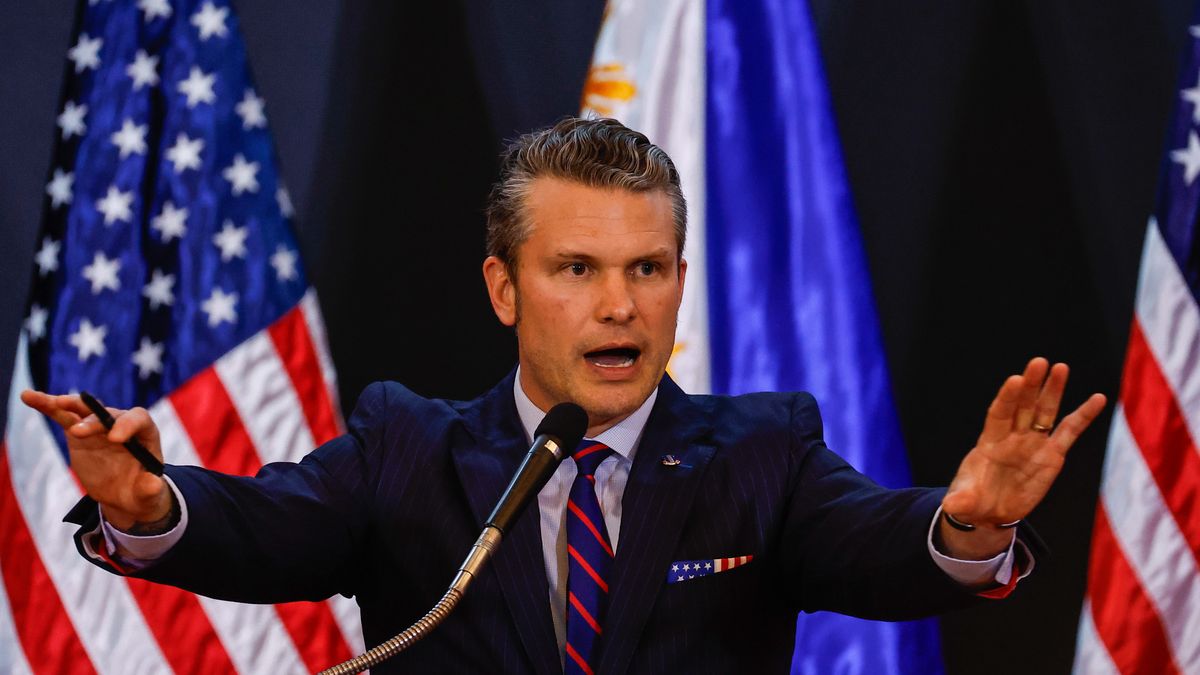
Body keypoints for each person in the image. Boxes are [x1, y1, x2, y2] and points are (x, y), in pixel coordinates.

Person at [22, 117, 1107, 674]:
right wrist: (147, 503)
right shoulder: (409, 449)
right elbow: (260, 532)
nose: (619, 306)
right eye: (577, 270)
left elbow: (882, 547)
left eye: (647, 269)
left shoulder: (760, 453)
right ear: (505, 286)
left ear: (680, 281)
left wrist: (969, 523)